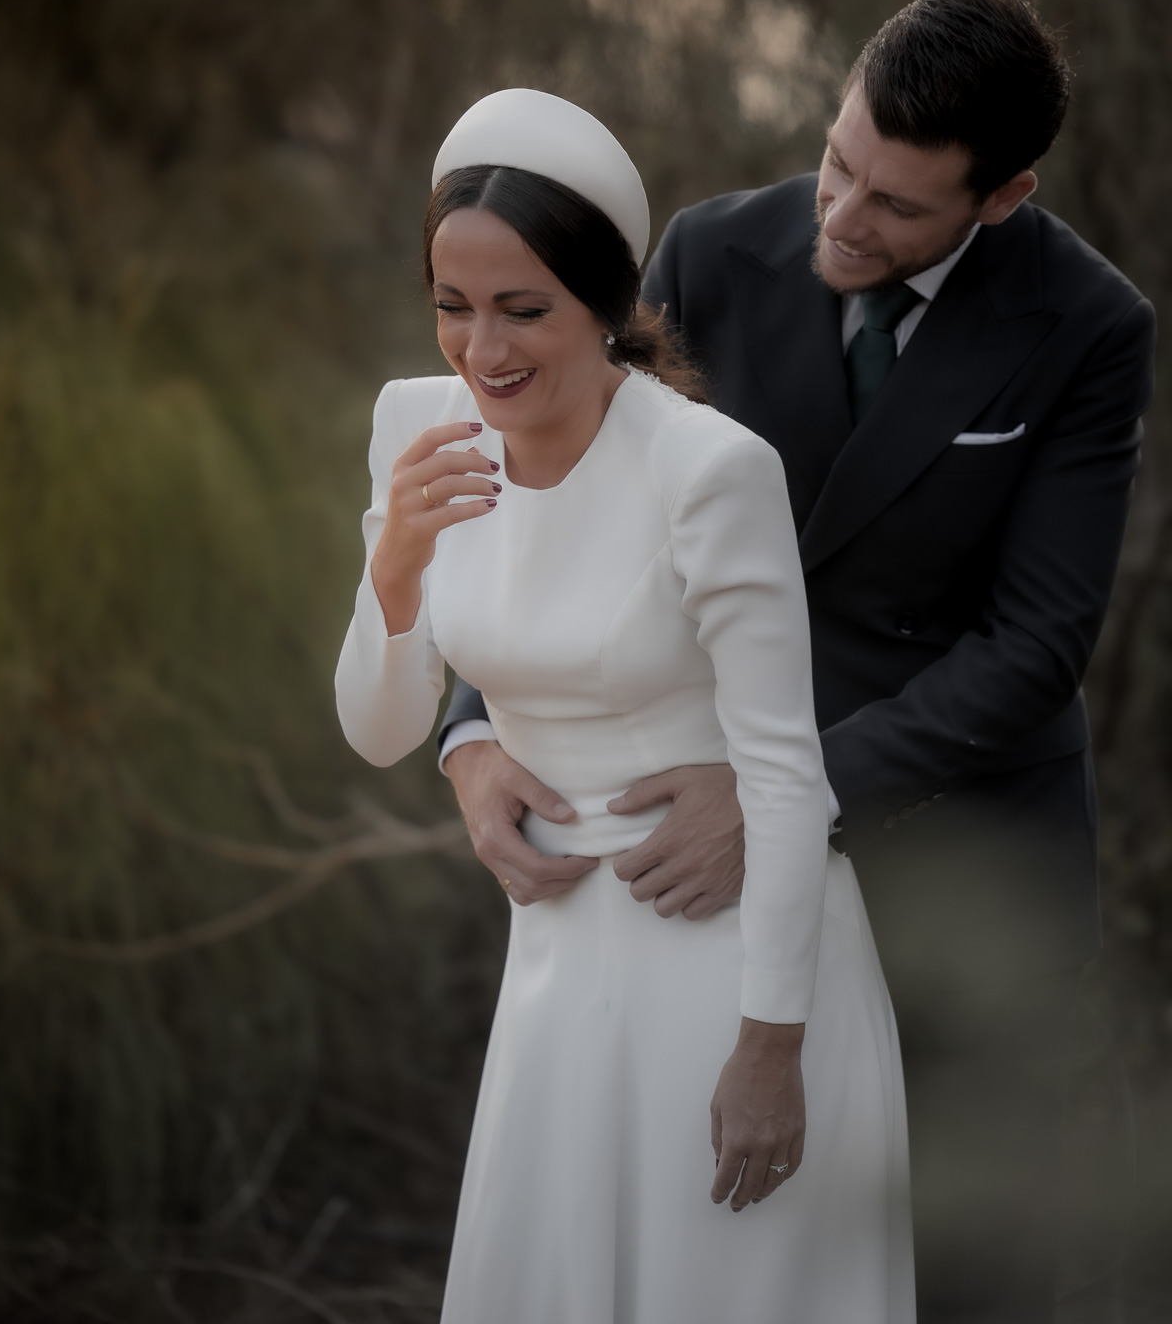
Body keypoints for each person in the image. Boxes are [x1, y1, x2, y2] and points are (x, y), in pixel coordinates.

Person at [441, 0, 1157, 1323]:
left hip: (955, 853)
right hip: (699, 877)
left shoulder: (1087, 327)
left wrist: (785, 800)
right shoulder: (711, 253)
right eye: (839, 162)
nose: (842, 216)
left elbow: (1035, 645)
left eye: (897, 205)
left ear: (1004, 197)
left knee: (960, 1271)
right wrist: (473, 728)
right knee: (722, 1252)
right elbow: (553, 488)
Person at [335, 89, 914, 1324]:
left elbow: (782, 777)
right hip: (556, 966)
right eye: (451, 304)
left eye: (523, 309)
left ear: (607, 303)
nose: (481, 349)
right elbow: (381, 731)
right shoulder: (415, 427)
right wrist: (394, 564)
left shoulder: (709, 471)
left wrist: (772, 1050)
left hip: (730, 965)